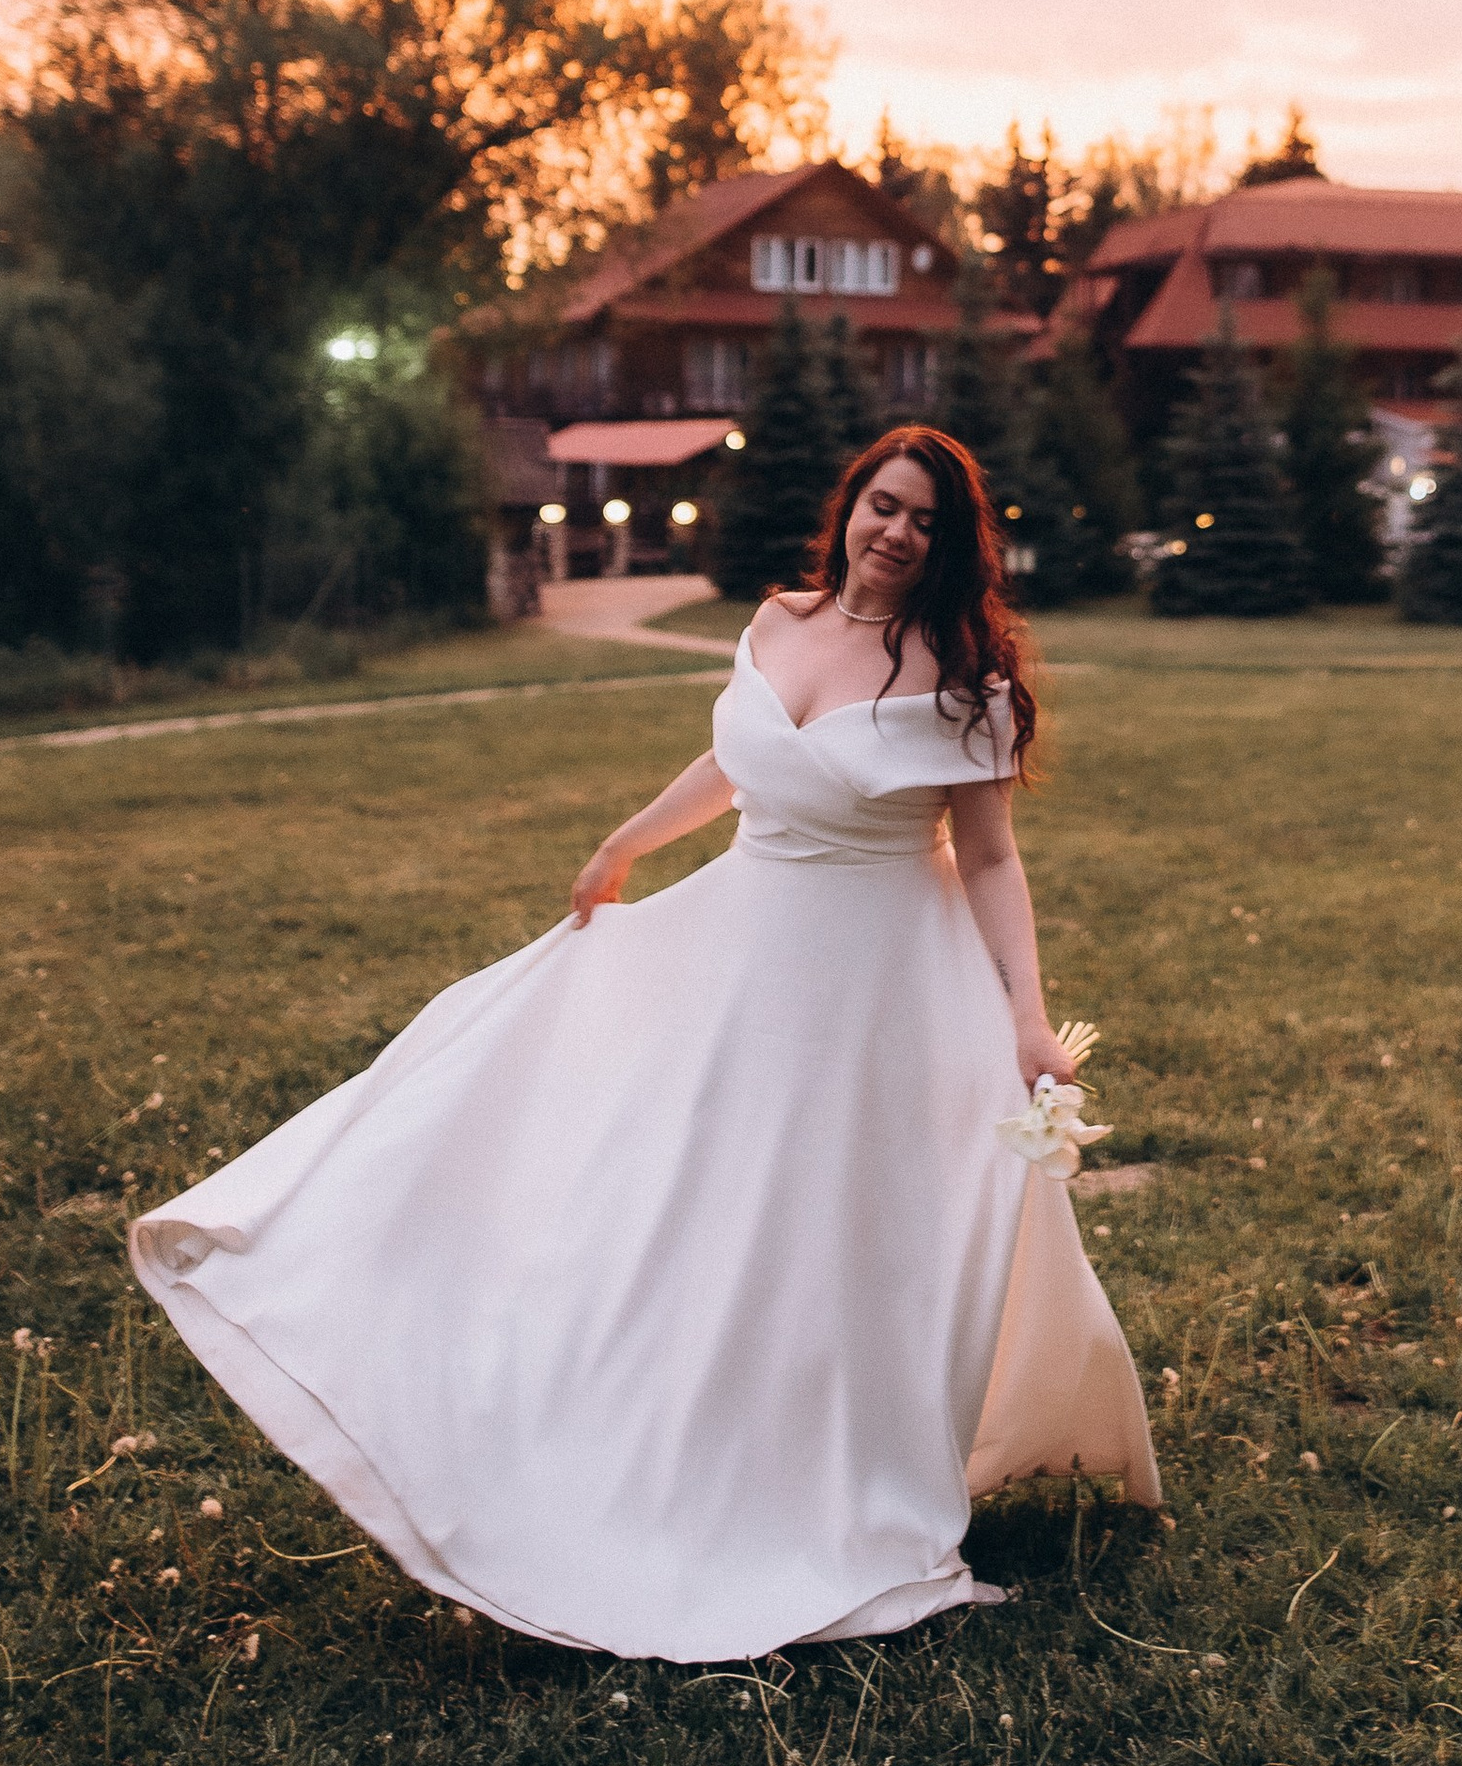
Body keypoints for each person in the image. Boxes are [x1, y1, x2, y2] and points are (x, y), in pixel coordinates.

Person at [131, 425, 1158, 1659]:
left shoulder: (963, 680)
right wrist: (627, 840)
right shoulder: (781, 619)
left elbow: (989, 857)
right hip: (740, 947)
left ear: (952, 543)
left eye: (924, 519)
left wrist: (1027, 1017)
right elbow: (736, 758)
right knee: (663, 1182)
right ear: (851, 507)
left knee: (827, 1230)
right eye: (881, 504)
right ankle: (633, 1431)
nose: (894, 531)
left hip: (876, 985)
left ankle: (817, 1474)